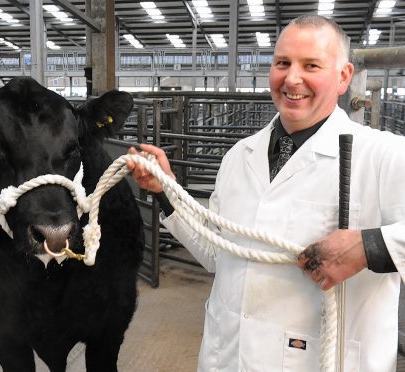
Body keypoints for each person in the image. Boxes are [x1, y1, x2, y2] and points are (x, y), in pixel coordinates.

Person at [127, 15, 405, 372]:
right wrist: (167, 191)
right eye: (282, 63)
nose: (292, 79)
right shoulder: (239, 156)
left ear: (343, 77)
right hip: (227, 357)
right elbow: (219, 254)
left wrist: (369, 247)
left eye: (311, 65)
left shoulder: (384, 156)